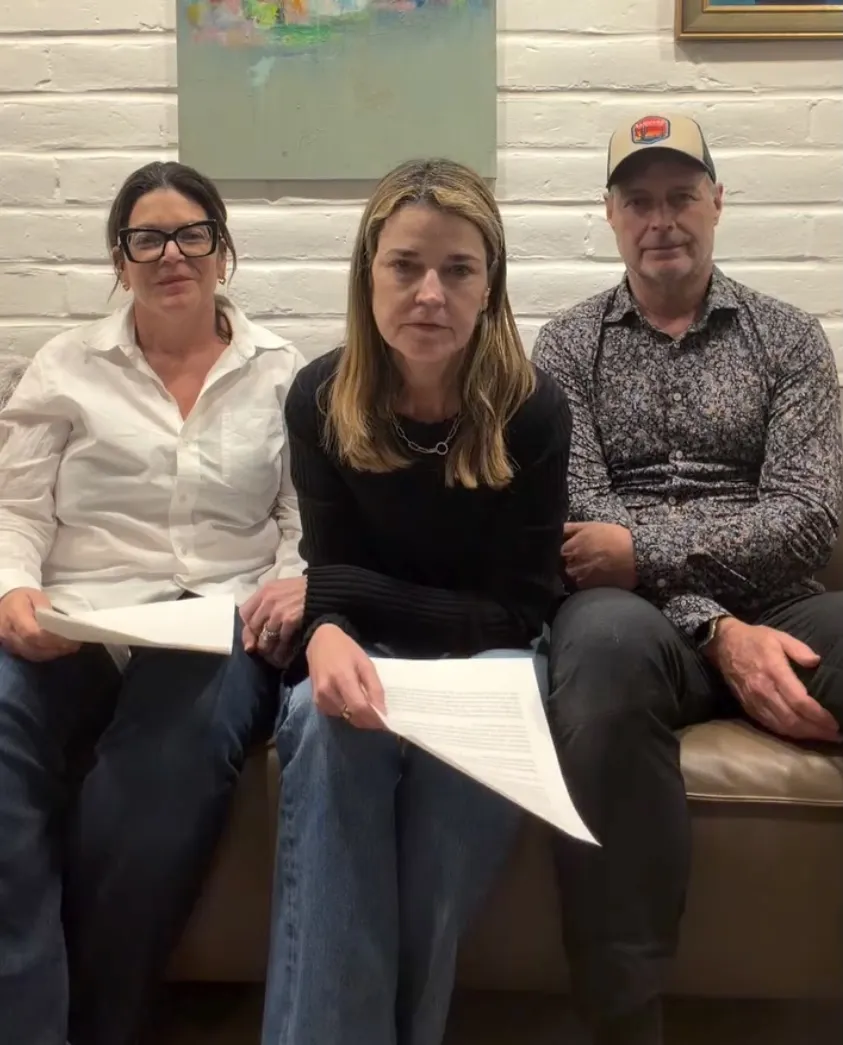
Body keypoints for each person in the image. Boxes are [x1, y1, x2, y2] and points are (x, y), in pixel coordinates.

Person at [532, 112, 843, 1045]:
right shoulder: (562, 349)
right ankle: (623, 1019)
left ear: (717, 203)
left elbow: (810, 518)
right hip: (628, 618)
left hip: (782, 596)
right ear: (610, 216)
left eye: (679, 196)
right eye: (639, 201)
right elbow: (583, 540)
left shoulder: (790, 340)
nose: (660, 218)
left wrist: (657, 557)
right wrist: (716, 626)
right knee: (596, 653)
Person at [256, 157, 572, 1045]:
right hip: (378, 647)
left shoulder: (532, 409)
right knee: (324, 730)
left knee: (449, 820)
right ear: (367, 274)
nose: (429, 292)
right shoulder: (320, 395)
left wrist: (336, 595)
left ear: (490, 284)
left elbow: (516, 609)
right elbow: (333, 572)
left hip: (491, 662)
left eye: (458, 269)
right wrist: (323, 626)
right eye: (404, 265)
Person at [0, 160, 306, 1045]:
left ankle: (105, 1023)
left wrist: (292, 579)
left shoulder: (283, 371)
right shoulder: (64, 367)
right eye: (147, 237)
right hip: (78, 619)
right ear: (119, 258)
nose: (170, 252)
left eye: (191, 233)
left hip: (219, 619)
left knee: (163, 763)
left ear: (222, 251)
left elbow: (304, 518)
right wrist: (15, 589)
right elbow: (16, 507)